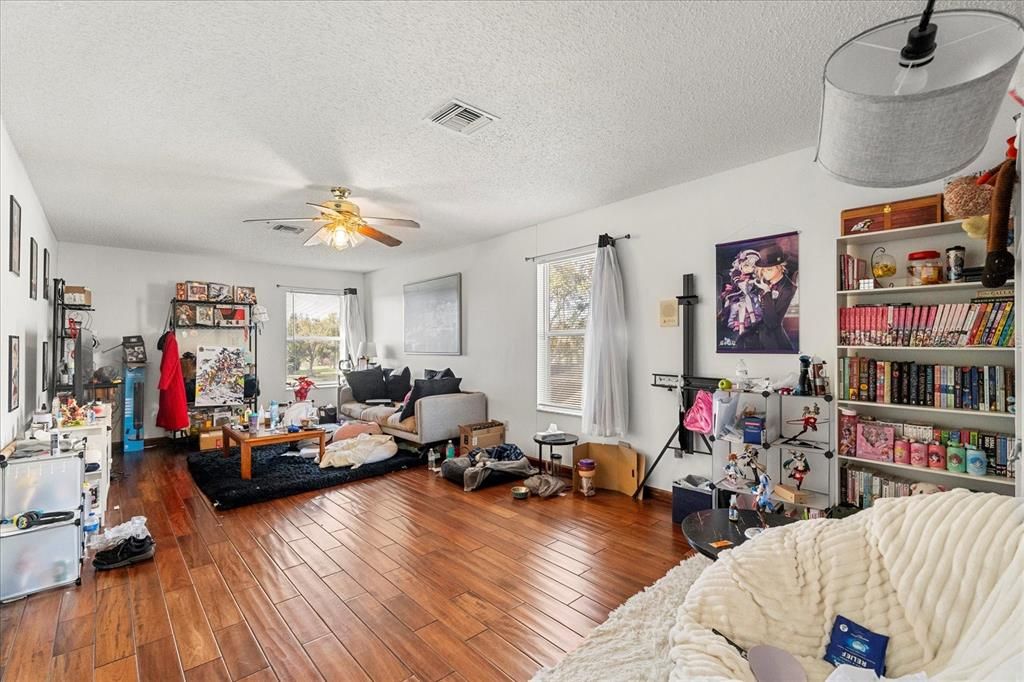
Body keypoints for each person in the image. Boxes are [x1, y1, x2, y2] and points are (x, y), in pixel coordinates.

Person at [736, 243, 796, 352]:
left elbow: (772, 322)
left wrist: (767, 292)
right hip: (759, 335)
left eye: (769, 270)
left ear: (780, 268)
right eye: (763, 270)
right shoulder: (763, 283)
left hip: (774, 341)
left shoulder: (788, 289)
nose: (765, 273)